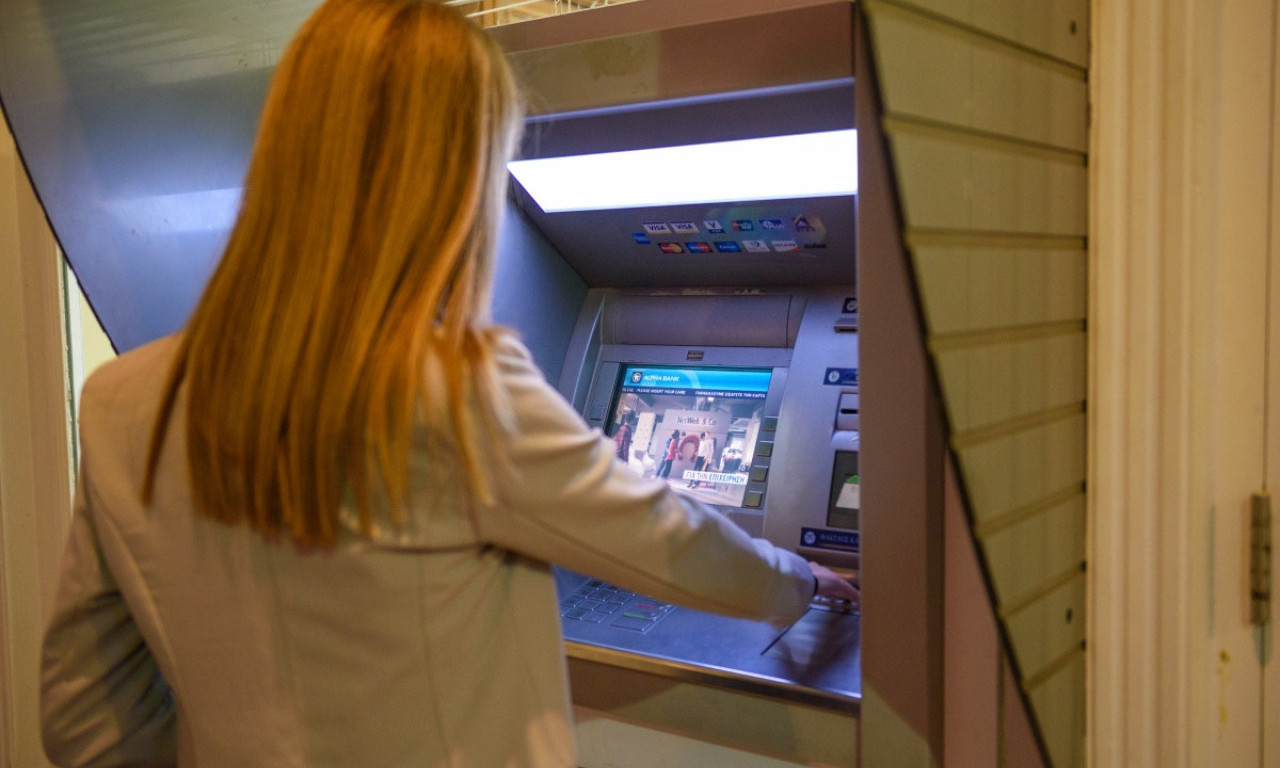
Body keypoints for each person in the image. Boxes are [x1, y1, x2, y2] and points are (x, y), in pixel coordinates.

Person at [38, 2, 858, 767]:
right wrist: (800, 580)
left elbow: (82, 714)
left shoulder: (119, 403)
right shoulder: (450, 386)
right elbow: (672, 543)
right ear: (448, 181)